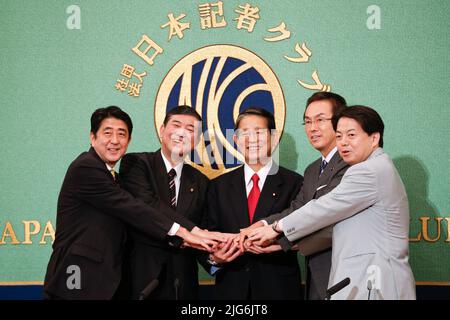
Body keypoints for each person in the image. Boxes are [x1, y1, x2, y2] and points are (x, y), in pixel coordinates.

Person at [43, 106, 222, 300]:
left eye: (122, 134)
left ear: (128, 140)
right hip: (79, 278)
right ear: (92, 137)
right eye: (107, 133)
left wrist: (213, 252)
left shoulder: (115, 178)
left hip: (116, 283)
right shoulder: (88, 166)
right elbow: (137, 208)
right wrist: (189, 232)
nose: (114, 140)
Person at [248, 105, 416, 300]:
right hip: (365, 282)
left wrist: (277, 228)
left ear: (374, 138)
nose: (343, 143)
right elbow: (333, 226)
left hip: (376, 284)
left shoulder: (369, 170)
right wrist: (281, 243)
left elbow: (325, 208)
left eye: (351, 135)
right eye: (339, 136)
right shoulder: (376, 167)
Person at [241, 92, 349, 300]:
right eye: (307, 121)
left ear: (340, 122)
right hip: (317, 278)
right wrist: (261, 224)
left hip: (344, 276)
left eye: (320, 120)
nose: (312, 128)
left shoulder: (350, 164)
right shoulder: (312, 170)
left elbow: (325, 216)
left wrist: (277, 240)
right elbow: (297, 209)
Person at [206, 107, 304, 300]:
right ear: (235, 140)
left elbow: (303, 229)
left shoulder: (295, 183)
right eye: (245, 133)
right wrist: (213, 259)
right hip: (230, 289)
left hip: (279, 289)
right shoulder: (218, 186)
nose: (251, 139)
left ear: (273, 138)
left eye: (259, 132)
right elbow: (208, 232)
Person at [119, 106, 210, 300]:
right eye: (176, 125)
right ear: (162, 130)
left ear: (197, 140)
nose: (181, 133)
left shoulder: (201, 181)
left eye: (190, 129)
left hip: (183, 285)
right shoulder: (136, 163)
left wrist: (214, 256)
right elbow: (147, 205)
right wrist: (194, 232)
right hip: (140, 280)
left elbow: (205, 227)